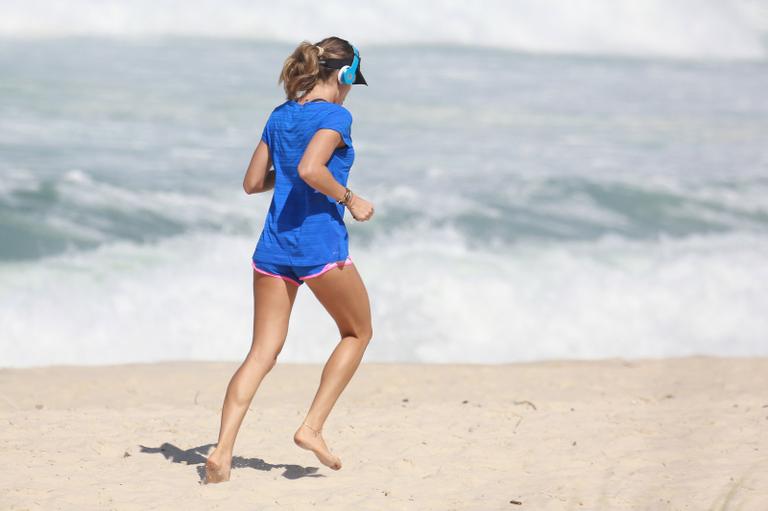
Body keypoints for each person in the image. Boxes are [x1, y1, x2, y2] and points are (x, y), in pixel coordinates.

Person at [204, 36, 375, 484]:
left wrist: (298, 167)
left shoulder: (279, 116)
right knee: (358, 332)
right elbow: (310, 171)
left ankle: (222, 452)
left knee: (261, 352)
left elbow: (252, 182)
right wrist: (350, 199)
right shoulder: (337, 115)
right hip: (318, 247)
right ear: (342, 75)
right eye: (352, 80)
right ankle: (311, 428)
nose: (351, 89)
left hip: (274, 248)